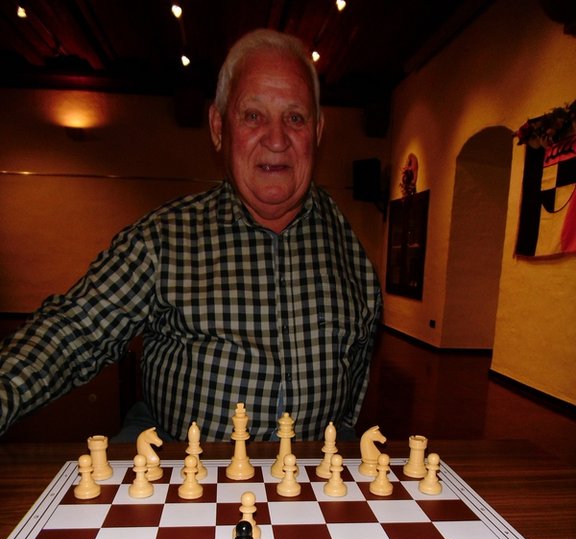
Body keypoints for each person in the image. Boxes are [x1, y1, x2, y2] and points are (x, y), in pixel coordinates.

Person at [0, 29, 381, 442]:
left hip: (311, 471)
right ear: (219, 128)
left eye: (295, 117)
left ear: (317, 132)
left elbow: (354, 385)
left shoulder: (349, 251)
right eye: (253, 116)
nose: (276, 140)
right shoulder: (161, 240)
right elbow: (73, 331)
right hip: (180, 470)